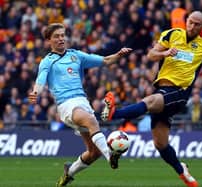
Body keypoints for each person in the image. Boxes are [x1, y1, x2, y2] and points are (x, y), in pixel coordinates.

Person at [101, 11, 202, 187]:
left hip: (179, 93)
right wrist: (165, 53)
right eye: (190, 22)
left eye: (197, 24)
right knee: (160, 144)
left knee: (150, 102)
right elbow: (151, 55)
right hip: (163, 90)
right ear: (186, 21)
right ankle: (183, 172)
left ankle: (113, 113)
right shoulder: (172, 34)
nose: (192, 26)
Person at [28, 23, 132, 187]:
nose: (61, 38)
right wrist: (35, 93)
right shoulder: (47, 61)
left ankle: (68, 173)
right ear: (49, 40)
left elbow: (105, 60)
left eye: (63, 35)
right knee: (91, 121)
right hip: (67, 105)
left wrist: (119, 54)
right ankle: (110, 155)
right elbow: (40, 80)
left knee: (93, 152)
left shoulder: (76, 55)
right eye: (57, 36)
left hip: (83, 102)